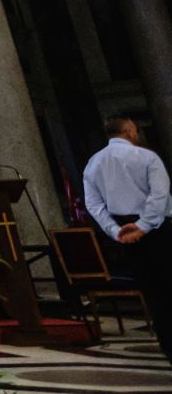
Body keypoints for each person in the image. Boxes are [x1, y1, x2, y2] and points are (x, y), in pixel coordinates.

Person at [83, 115, 172, 362]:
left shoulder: (94, 162)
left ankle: (169, 347)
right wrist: (144, 225)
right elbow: (159, 194)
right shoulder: (146, 157)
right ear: (130, 130)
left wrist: (114, 230)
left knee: (153, 294)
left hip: (125, 233)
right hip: (157, 230)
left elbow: (93, 204)